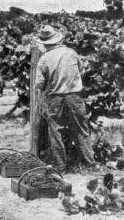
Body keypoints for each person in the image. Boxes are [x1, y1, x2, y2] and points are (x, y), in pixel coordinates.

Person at [34, 25, 95, 173]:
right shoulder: (71, 53)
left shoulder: (43, 59)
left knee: (56, 131)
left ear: (44, 43)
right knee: (81, 129)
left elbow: (39, 84)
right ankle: (89, 164)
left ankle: (61, 167)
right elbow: (81, 70)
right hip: (74, 96)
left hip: (54, 98)